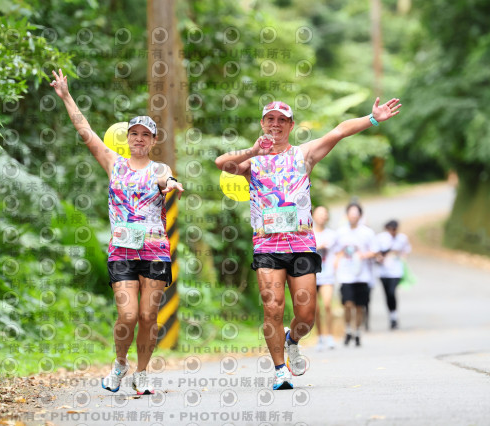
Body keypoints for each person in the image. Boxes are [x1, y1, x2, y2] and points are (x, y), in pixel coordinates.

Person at [215, 98, 401, 389]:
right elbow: (221, 164)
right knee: (272, 309)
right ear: (262, 124)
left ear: (290, 125)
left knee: (306, 316)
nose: (275, 124)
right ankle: (280, 371)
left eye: (282, 120)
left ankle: (292, 339)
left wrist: (373, 118)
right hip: (267, 248)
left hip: (301, 246)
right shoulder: (252, 162)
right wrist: (253, 150)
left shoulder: (304, 154)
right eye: (270, 119)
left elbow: (339, 131)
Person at [50, 69, 184, 395]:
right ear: (127, 138)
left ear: (153, 141)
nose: (139, 138)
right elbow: (85, 131)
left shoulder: (160, 169)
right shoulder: (114, 163)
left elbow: (164, 180)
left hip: (154, 252)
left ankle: (142, 373)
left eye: (145, 135)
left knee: (149, 316)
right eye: (134, 133)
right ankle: (120, 363)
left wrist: (171, 184)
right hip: (122, 251)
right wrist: (66, 96)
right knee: (128, 315)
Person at [334, 202, 377, 347]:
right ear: (346, 215)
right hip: (346, 275)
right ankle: (348, 329)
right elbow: (337, 251)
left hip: (362, 274)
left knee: (359, 306)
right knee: (347, 304)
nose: (353, 216)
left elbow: (375, 251)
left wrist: (363, 255)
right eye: (351, 214)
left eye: (356, 214)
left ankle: (357, 331)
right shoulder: (340, 232)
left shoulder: (367, 232)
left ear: (360, 216)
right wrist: (336, 262)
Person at [375, 220, 412, 329]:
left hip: (396, 270)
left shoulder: (402, 238)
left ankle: (394, 315)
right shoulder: (381, 238)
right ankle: (391, 315)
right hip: (383, 271)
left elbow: (406, 251)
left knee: (392, 292)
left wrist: (401, 257)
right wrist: (380, 257)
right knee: (387, 294)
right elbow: (375, 251)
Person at [312, 206, 337, 351]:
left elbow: (338, 252)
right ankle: (320, 337)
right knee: (315, 309)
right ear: (313, 216)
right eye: (319, 214)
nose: (322, 216)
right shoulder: (309, 234)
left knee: (327, 305)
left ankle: (330, 336)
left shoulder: (332, 234)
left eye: (324, 214)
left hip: (327, 275)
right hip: (311, 275)